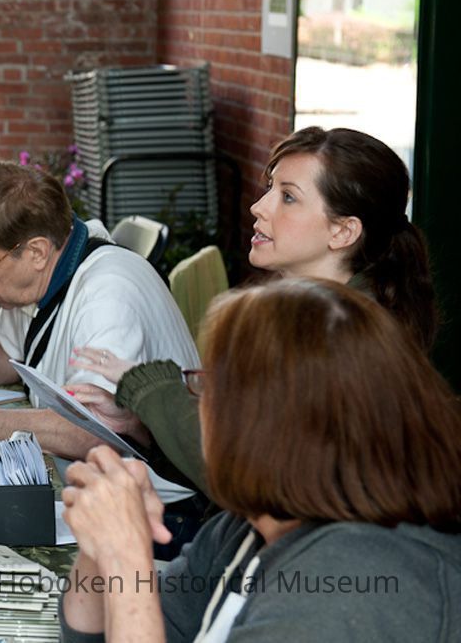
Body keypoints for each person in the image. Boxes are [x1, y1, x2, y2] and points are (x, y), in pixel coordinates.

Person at [60, 278, 461, 642]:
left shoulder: (355, 580)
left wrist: (126, 559)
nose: (196, 406)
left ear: (267, 423)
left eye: (205, 385)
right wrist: (100, 545)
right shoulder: (249, 526)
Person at [68, 126, 438, 493]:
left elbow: (254, 469)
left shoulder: (345, 342)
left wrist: (148, 389)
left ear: (343, 232)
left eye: (288, 197)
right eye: (270, 189)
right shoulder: (304, 318)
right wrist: (140, 424)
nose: (258, 207)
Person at [0, 161, 199, 463]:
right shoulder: (50, 269)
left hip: (157, 502)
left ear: (37, 252)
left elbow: (90, 432)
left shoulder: (108, 296)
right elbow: (10, 350)